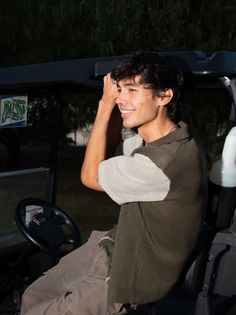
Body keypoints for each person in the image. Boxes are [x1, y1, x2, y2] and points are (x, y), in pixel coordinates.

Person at [20, 52, 207, 315]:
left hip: (131, 274)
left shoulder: (164, 161)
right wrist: (120, 106)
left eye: (132, 89)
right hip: (111, 246)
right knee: (32, 297)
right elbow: (106, 154)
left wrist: (105, 105)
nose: (120, 98)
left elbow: (90, 177)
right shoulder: (166, 138)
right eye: (118, 90)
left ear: (165, 96)